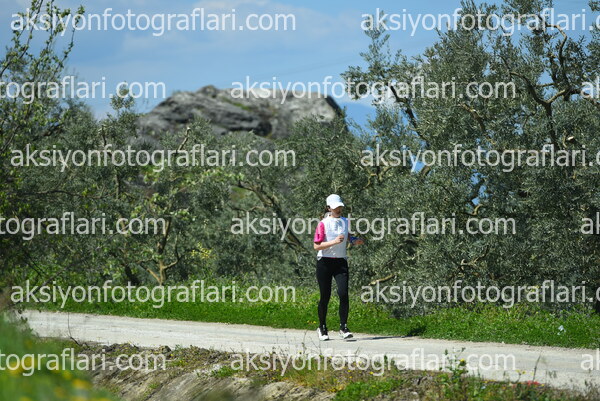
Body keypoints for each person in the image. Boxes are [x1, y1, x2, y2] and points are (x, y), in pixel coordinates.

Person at [313, 194, 364, 341]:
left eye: (340, 206)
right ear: (329, 208)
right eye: (336, 207)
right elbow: (316, 246)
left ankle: (343, 327)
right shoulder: (323, 223)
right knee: (325, 296)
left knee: (343, 293)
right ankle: (322, 327)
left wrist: (355, 240)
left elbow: (348, 237)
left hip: (341, 262)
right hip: (324, 263)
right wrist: (334, 242)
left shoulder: (345, 221)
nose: (339, 209)